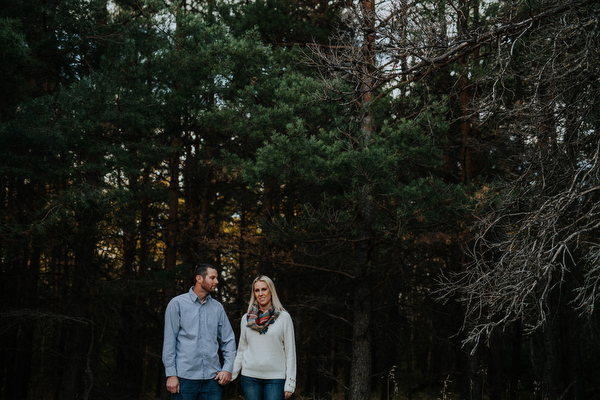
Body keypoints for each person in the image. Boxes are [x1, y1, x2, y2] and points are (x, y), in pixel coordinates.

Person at [162, 264, 236, 400]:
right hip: (184, 378)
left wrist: (227, 368)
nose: (216, 282)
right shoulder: (177, 304)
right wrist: (171, 374)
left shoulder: (217, 308)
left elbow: (228, 340)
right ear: (199, 279)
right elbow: (169, 342)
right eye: (212, 278)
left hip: (212, 380)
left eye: (217, 278)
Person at [232, 275, 297, 400]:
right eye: (257, 290)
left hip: (275, 378)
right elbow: (241, 350)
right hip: (250, 377)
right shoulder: (246, 319)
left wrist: (290, 383)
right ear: (254, 293)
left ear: (271, 291)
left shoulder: (284, 317)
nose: (260, 293)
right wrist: (232, 374)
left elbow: (290, 353)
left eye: (264, 289)